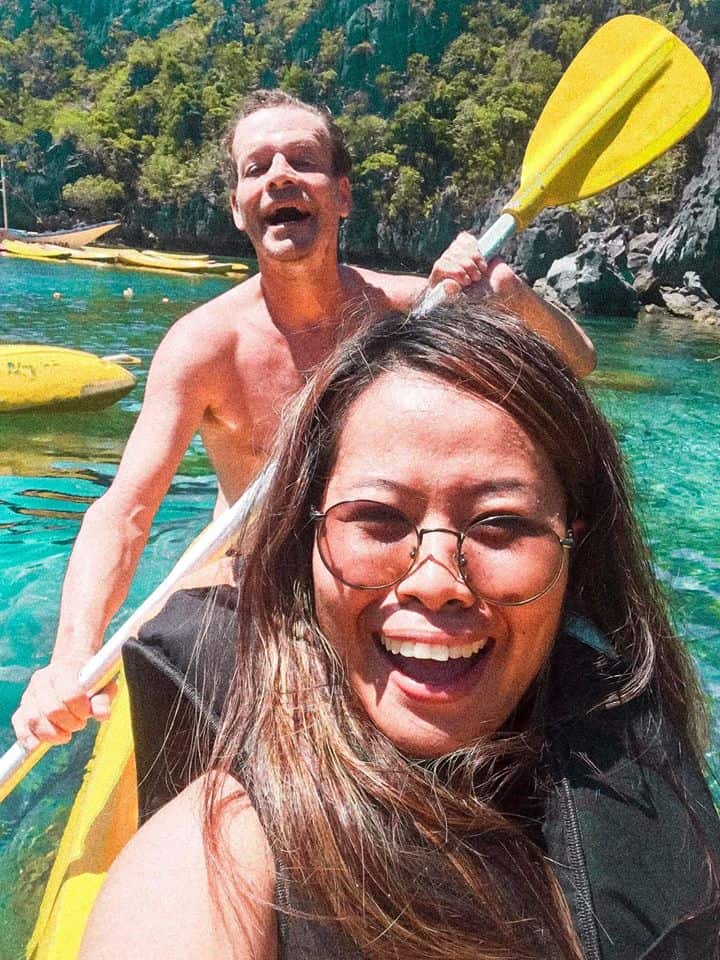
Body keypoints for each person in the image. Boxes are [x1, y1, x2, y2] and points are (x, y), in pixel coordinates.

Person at [79, 303, 719, 960]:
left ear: (572, 546)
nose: (436, 580)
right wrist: (69, 658)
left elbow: (576, 350)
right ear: (307, 537)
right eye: (378, 518)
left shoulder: (639, 751)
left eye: (501, 524)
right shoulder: (211, 862)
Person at [12, 89, 595, 751]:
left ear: (341, 196)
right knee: (176, 656)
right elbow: (124, 511)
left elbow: (575, 361)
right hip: (262, 580)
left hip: (383, 578)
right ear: (238, 209)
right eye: (255, 168)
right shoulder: (204, 347)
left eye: (302, 160)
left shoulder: (410, 312)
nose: (279, 175)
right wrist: (68, 659)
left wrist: (508, 297)